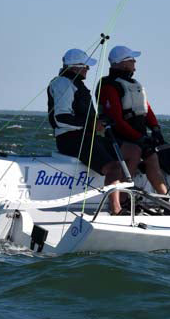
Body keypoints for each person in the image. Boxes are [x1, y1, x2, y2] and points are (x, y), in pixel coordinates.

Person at [98, 45, 170, 211]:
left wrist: (156, 129)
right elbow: (117, 120)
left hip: (142, 138)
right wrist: (139, 138)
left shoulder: (134, 84)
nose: (135, 62)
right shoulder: (109, 86)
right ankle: (167, 202)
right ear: (122, 63)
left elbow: (147, 109)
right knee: (150, 156)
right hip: (124, 139)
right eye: (132, 60)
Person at [47, 48, 129, 215]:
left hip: (86, 136)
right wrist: (92, 124)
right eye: (85, 66)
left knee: (130, 151)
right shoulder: (63, 83)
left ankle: (126, 200)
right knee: (114, 168)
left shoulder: (74, 83)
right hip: (72, 139)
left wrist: (99, 122)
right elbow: (61, 118)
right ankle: (116, 210)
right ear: (75, 67)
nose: (88, 69)